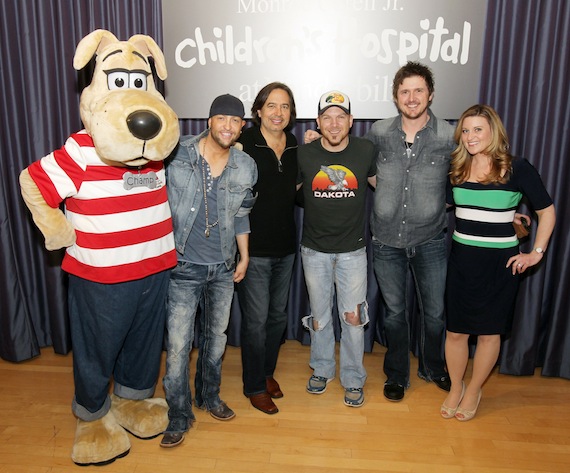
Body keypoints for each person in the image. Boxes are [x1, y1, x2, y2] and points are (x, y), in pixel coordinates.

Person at [441, 104, 555, 421]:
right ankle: (455, 386)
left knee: (491, 334)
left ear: (494, 132)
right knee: (455, 332)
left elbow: (547, 211)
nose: (470, 136)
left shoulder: (517, 168)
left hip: (501, 265)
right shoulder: (456, 168)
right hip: (462, 260)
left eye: (478, 129)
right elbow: (443, 203)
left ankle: (475, 389)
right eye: (465, 130)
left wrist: (536, 253)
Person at [161, 94, 258, 447]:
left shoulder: (246, 166)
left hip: (223, 266)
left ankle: (209, 396)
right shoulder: (177, 155)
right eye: (222, 119)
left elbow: (242, 214)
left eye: (235, 121)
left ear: (242, 126)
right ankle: (178, 414)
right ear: (209, 121)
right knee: (177, 347)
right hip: (182, 264)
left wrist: (244, 256)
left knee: (216, 341)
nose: (228, 126)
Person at [365, 61, 455, 402]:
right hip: (386, 239)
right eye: (405, 91)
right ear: (395, 96)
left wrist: (434, 204)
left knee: (434, 313)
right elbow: (367, 171)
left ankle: (432, 366)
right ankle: (397, 374)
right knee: (394, 313)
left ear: (430, 95)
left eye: (419, 90)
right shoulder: (378, 132)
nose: (412, 97)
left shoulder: (449, 135)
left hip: (430, 239)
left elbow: (461, 178)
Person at [298, 91, 376, 407]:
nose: (334, 124)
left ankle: (354, 378)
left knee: (353, 318)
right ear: (318, 122)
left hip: (353, 251)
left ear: (351, 122)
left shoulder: (366, 150)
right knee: (319, 317)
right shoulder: (304, 153)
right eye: (327, 117)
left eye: (340, 117)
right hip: (313, 250)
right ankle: (322, 368)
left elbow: (382, 186)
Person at [236, 83, 298, 415]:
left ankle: (267, 372)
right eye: (271, 106)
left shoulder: (295, 145)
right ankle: (254, 386)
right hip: (253, 248)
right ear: (258, 110)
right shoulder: (243, 143)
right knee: (256, 321)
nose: (278, 113)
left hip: (286, 246)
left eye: (285, 106)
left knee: (276, 318)